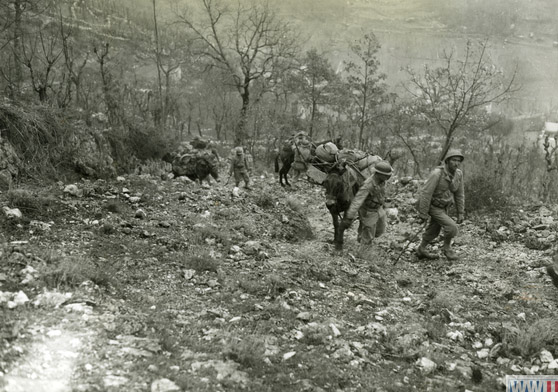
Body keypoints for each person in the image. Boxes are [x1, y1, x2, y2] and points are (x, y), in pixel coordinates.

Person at [416, 149, 465, 261]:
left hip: (445, 206)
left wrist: (460, 212)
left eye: (458, 161)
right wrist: (423, 213)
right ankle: (447, 248)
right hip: (433, 206)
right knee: (452, 227)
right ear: (447, 161)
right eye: (453, 160)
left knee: (434, 230)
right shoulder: (437, 174)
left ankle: (421, 249)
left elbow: (460, 194)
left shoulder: (458, 174)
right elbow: (425, 193)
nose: (456, 163)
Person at [340, 161, 393, 248]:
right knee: (368, 235)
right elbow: (357, 201)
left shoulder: (382, 181)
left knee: (380, 230)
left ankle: (362, 235)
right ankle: (364, 253)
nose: (388, 176)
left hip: (379, 209)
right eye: (386, 175)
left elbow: (381, 192)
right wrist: (349, 217)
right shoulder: (368, 185)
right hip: (368, 211)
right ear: (379, 174)